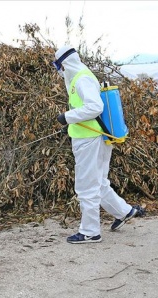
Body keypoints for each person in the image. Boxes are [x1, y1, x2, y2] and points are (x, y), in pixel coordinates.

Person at [52, 46, 144, 244]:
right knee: (99, 181)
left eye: (58, 67)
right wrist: (71, 122)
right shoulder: (84, 76)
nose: (59, 72)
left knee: (86, 186)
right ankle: (124, 211)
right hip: (95, 136)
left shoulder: (81, 79)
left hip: (89, 140)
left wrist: (67, 117)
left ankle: (90, 231)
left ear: (64, 64)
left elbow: (95, 107)